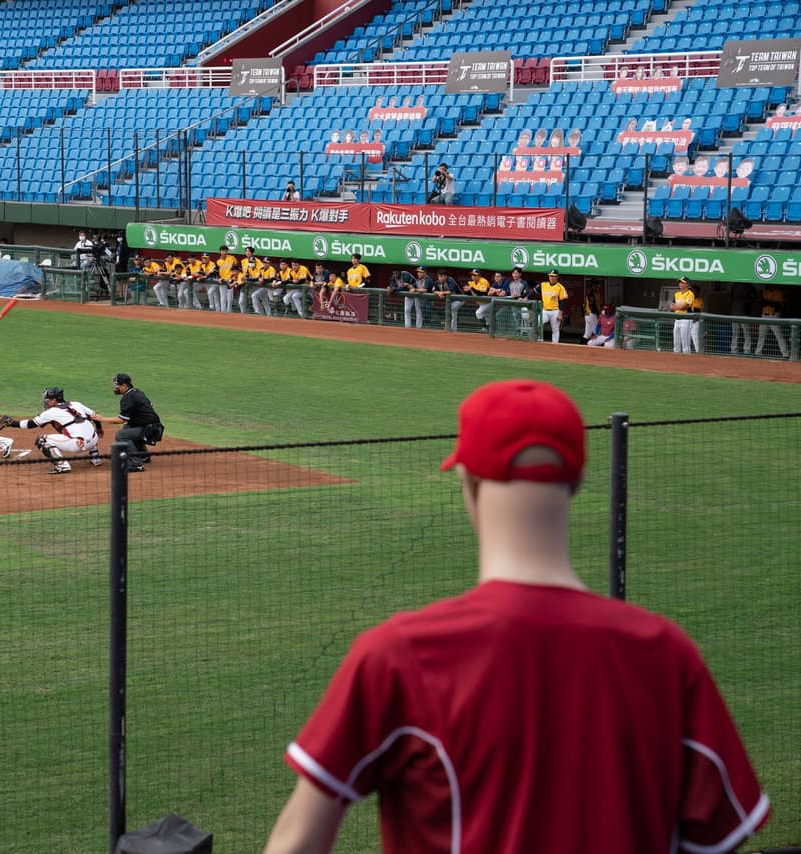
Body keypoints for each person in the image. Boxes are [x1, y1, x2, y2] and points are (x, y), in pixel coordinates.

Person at [265, 379, 770, 854]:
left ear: (468, 477)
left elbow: (297, 843)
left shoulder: (400, 655)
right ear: (576, 479)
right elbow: (718, 836)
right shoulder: (666, 654)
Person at [0, 387, 101, 474]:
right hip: (94, 439)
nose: (46, 401)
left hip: (78, 445)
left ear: (55, 400)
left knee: (41, 440)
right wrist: (99, 429)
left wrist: (12, 423)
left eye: (48, 399)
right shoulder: (76, 404)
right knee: (87, 429)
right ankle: (95, 458)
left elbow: (31, 424)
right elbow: (94, 416)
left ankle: (62, 465)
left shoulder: (52, 412)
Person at [106, 372, 162, 473]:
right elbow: (149, 407)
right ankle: (143, 456)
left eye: (117, 385)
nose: (116, 388)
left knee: (121, 435)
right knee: (128, 428)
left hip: (150, 430)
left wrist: (102, 419)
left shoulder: (127, 398)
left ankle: (137, 464)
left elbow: (121, 420)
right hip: (155, 427)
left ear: (124, 385)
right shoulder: (138, 392)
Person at [755, 282, 790, 358]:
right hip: (764, 315)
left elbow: (777, 305)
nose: (772, 285)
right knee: (761, 336)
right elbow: (762, 303)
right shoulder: (764, 292)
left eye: (773, 284)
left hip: (774, 315)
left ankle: (785, 354)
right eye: (770, 284)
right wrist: (770, 302)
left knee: (779, 336)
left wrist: (768, 301)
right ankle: (758, 353)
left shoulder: (779, 292)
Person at [538, 268, 568, 343]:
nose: (551, 277)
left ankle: (555, 345)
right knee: (537, 323)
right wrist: (526, 298)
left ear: (557, 277)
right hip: (545, 310)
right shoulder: (543, 284)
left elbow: (563, 301)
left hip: (555, 311)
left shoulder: (560, 287)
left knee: (555, 329)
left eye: (553, 276)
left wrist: (560, 314)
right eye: (550, 276)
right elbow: (534, 291)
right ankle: (538, 340)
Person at [670, 276, 696, 354]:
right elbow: (671, 307)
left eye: (682, 282)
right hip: (676, 319)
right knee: (676, 343)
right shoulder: (677, 294)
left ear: (687, 284)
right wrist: (679, 306)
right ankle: (676, 362)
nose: (680, 284)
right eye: (680, 282)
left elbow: (684, 307)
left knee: (685, 344)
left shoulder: (690, 294)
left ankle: (687, 362)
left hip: (686, 319)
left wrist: (677, 306)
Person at [729, 281, 757, 354]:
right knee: (735, 333)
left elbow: (754, 299)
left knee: (746, 333)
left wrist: (745, 299)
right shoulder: (735, 285)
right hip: (735, 313)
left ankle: (746, 350)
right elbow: (732, 297)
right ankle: (734, 350)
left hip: (744, 313)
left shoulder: (750, 286)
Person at [213, 245, 237, 313]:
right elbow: (216, 271)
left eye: (226, 251)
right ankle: (223, 312)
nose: (224, 252)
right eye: (223, 251)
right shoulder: (218, 261)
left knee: (230, 298)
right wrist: (219, 278)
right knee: (223, 297)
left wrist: (234, 277)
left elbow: (236, 268)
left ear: (227, 251)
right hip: (222, 281)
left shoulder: (232, 258)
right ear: (220, 252)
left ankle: (229, 311)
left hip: (230, 280)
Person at [237, 246, 259, 314]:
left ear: (252, 253)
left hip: (254, 284)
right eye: (246, 251)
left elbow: (259, 273)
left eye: (249, 251)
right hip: (245, 283)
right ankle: (243, 315)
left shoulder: (257, 261)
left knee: (255, 300)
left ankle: (262, 315)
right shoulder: (243, 261)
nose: (247, 253)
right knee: (241, 302)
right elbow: (241, 272)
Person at [689, 284, 705, 353]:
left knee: (696, 339)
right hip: (688, 321)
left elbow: (700, 311)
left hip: (696, 322)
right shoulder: (689, 299)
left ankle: (699, 353)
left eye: (696, 291)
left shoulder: (700, 300)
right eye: (693, 291)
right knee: (687, 340)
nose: (694, 292)